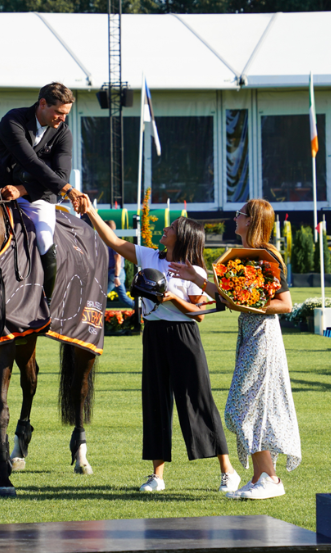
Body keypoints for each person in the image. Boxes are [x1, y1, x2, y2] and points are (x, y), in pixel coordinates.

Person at [77, 202, 240, 494]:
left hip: (184, 336)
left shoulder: (194, 270)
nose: (166, 229)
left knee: (199, 400)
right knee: (155, 403)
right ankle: (157, 477)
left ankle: (228, 471)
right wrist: (90, 211)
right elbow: (113, 241)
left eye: (172, 227)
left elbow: (199, 313)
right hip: (153, 334)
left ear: (183, 236)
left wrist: (172, 300)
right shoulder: (150, 256)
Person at [169, 199, 300, 500]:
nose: (234, 217)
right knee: (252, 406)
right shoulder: (241, 257)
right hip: (249, 333)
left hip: (264, 336)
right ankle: (259, 478)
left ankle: (270, 478)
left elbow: (286, 304)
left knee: (241, 407)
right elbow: (228, 298)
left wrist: (252, 304)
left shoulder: (267, 256)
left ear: (252, 221)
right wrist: (195, 278)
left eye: (240, 214)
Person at [0, 82, 85, 299]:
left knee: (44, 239)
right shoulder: (13, 121)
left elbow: (61, 175)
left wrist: (23, 190)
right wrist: (69, 190)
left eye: (66, 114)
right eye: (59, 113)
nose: (63, 119)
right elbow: (30, 161)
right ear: (42, 103)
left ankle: (47, 302)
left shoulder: (63, 133)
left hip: (39, 197)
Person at [106, 221, 134, 309]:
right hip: (116, 272)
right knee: (123, 298)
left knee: (101, 294)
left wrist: (116, 276)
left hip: (115, 272)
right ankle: (139, 309)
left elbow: (118, 259)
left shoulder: (114, 241)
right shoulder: (111, 241)